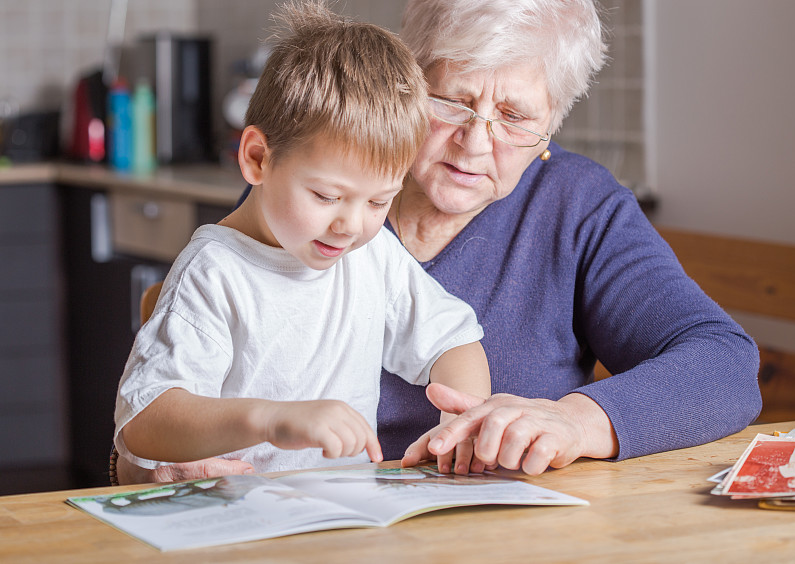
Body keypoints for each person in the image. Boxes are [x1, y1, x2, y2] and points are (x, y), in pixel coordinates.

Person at [116, 0, 761, 484]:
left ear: (548, 130)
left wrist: (576, 420)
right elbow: (155, 415)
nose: (477, 142)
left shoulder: (576, 204)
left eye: (514, 117)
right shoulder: (313, 198)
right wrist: (155, 469)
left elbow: (722, 363)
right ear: (405, 85)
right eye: (452, 100)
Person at [113, 1, 491, 477]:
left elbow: (453, 341)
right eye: (326, 195)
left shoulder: (372, 256)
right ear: (256, 158)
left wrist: (464, 417)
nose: (351, 225)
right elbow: (144, 421)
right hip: (238, 530)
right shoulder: (215, 271)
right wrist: (271, 419)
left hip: (343, 525)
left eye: (378, 202)